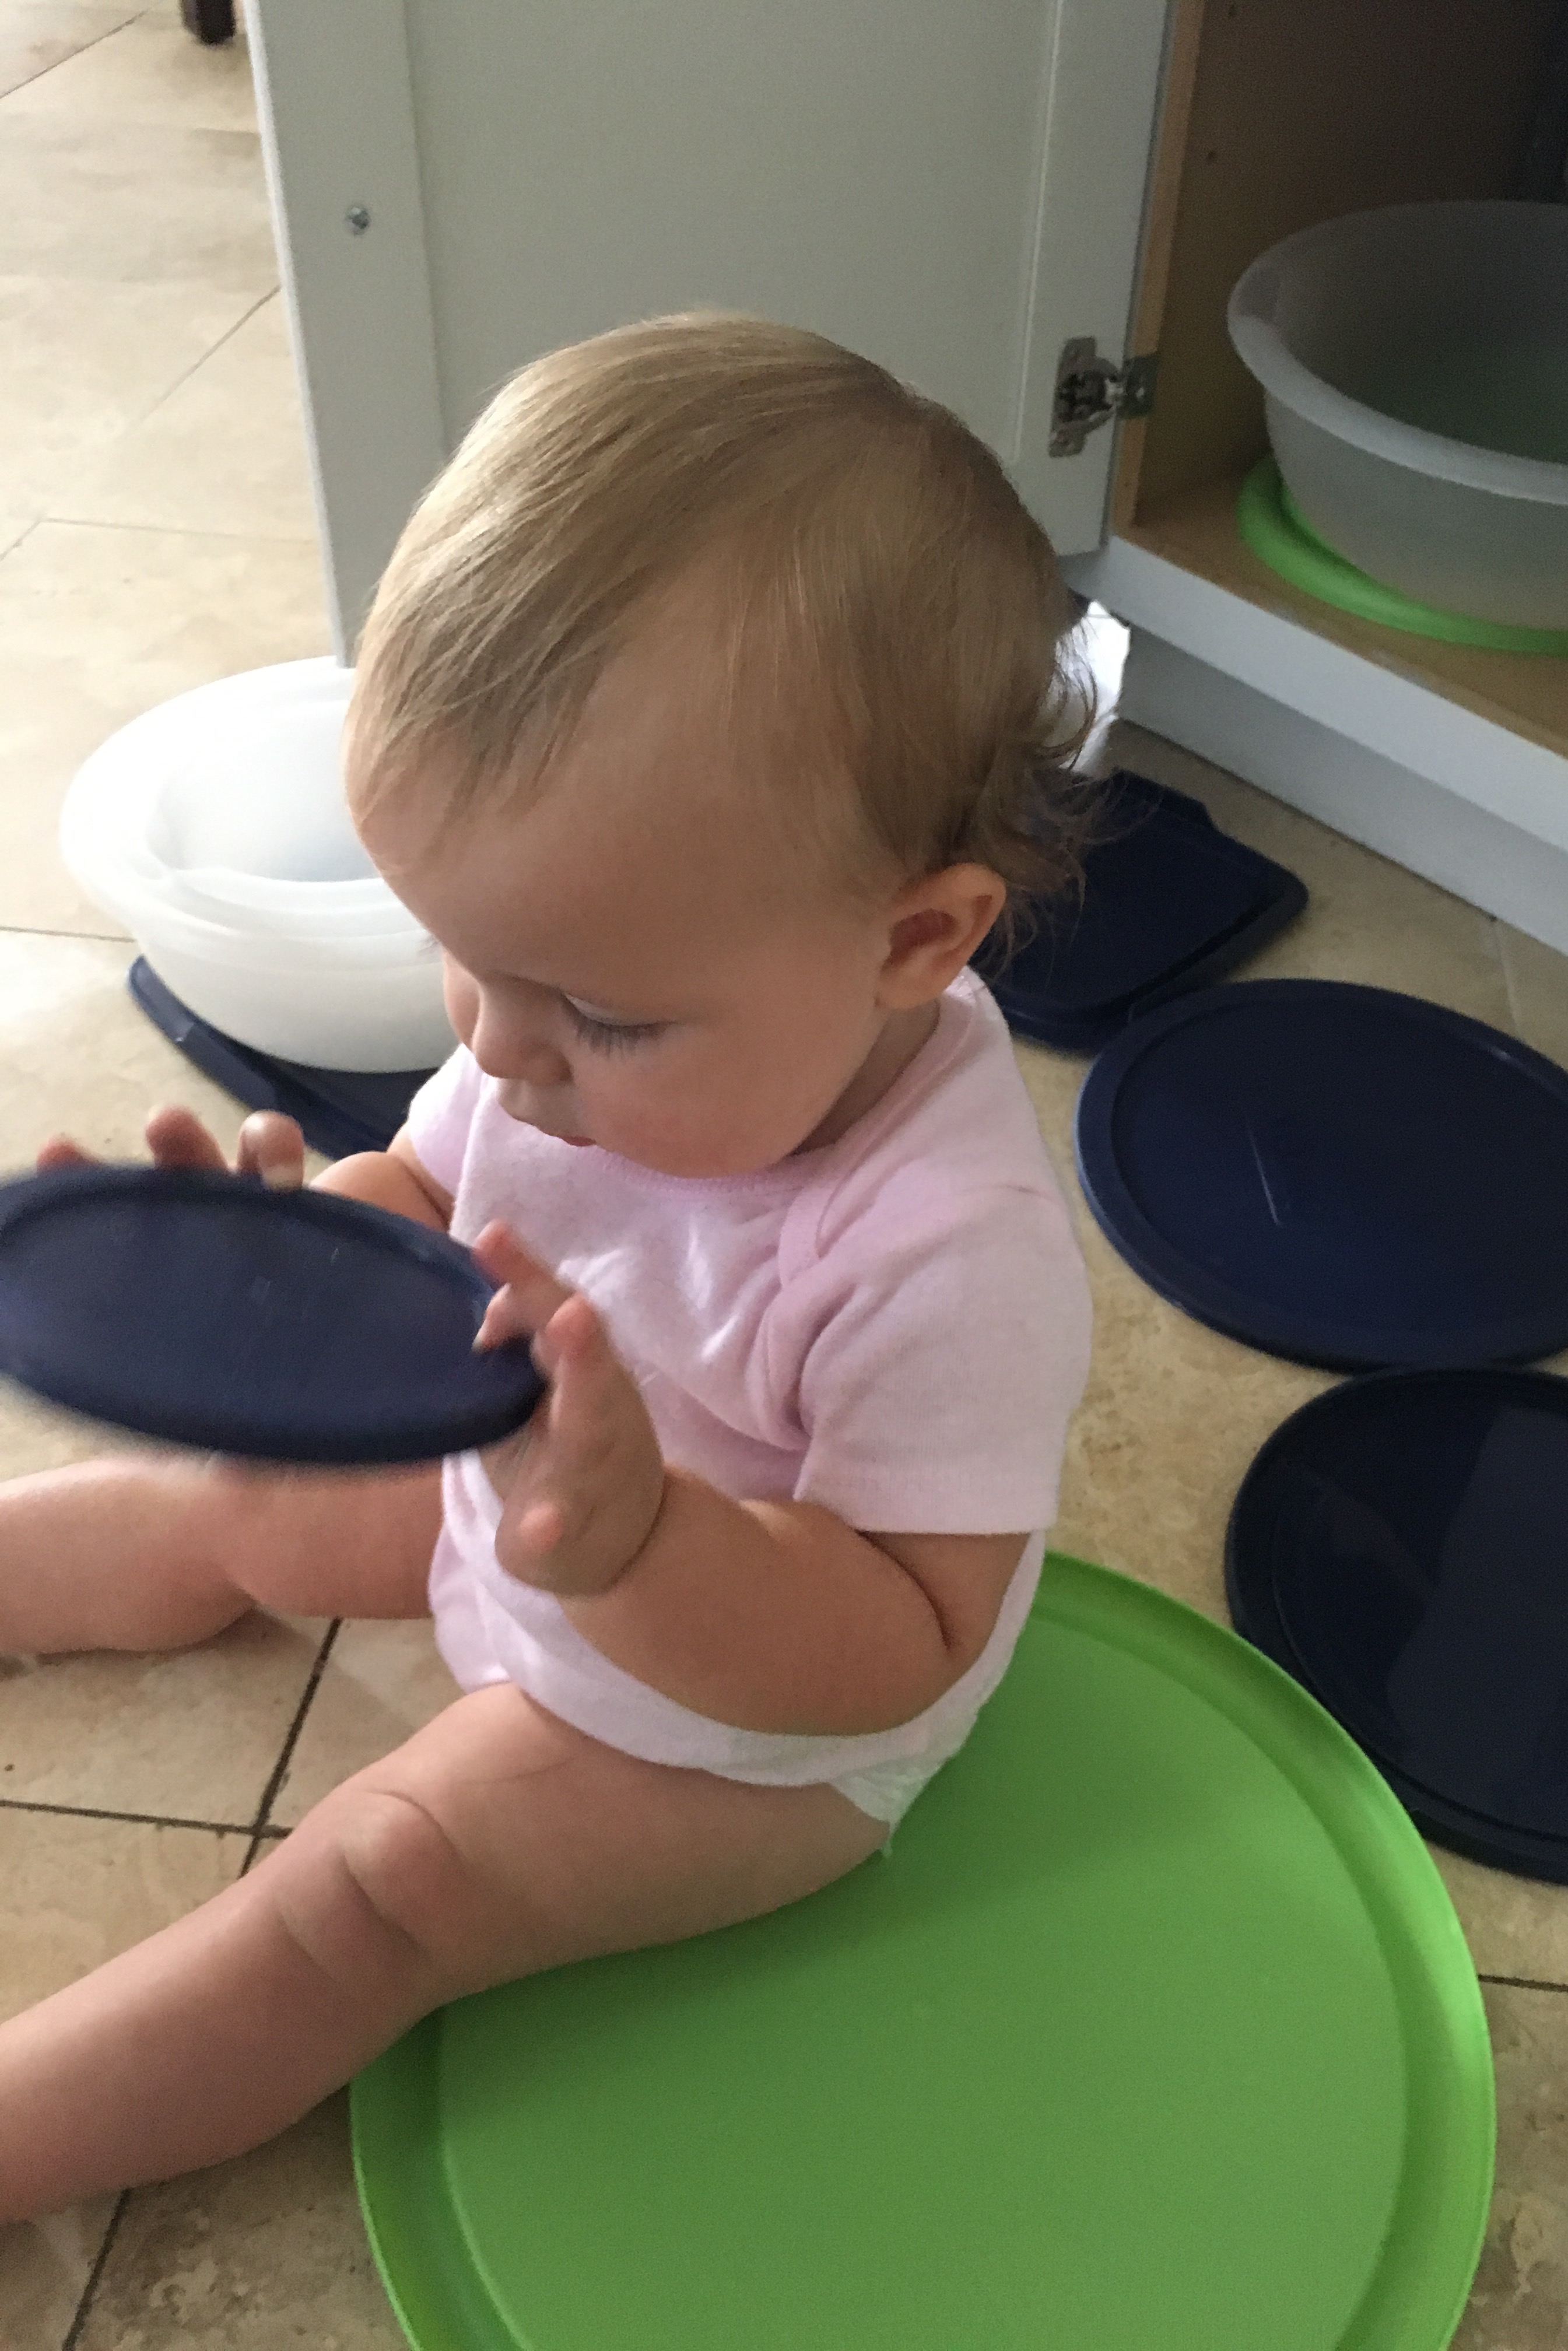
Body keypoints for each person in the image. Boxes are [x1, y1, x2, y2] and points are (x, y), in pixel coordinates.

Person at [0, 314, 1093, 2220]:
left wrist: (643, 1544)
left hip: (742, 1733)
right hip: (521, 1502)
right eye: (463, 957)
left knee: (378, 1888)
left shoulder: (952, 1257)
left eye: (597, 1014)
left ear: (916, 940)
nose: (499, 1051)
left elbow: (900, 1648)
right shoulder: (562, 1019)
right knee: (224, 1512)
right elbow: (436, 1184)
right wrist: (299, 1266)